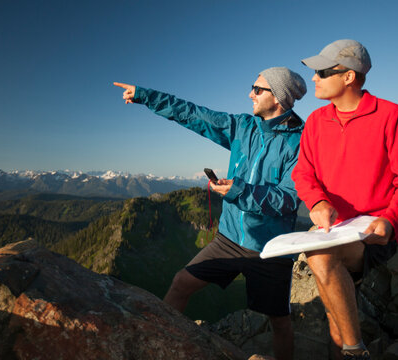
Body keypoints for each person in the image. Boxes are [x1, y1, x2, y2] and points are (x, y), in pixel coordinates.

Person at [114, 67, 306, 360]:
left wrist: (239, 190)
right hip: (229, 238)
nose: (250, 94)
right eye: (252, 87)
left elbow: (290, 199)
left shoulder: (300, 142)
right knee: (181, 283)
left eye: (257, 89)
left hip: (270, 248)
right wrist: (146, 97)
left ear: (278, 98)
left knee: (279, 320)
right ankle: (157, 347)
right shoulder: (243, 127)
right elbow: (195, 115)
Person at [291, 39, 398, 360]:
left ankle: (356, 352)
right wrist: (317, 203)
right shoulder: (315, 122)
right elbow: (303, 174)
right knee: (335, 324)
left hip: (373, 235)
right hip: (334, 230)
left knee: (319, 255)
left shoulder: (392, 116)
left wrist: (391, 222)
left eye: (322, 71)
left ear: (349, 76)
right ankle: (347, 347)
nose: (314, 79)